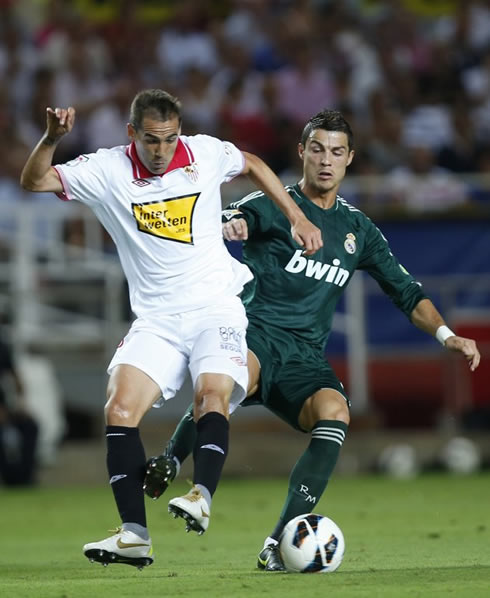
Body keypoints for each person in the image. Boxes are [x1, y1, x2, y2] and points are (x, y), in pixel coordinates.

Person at [143, 109, 481, 571]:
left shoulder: (358, 230)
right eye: (317, 149)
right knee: (224, 378)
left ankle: (280, 538)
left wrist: (447, 335)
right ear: (302, 153)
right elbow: (226, 216)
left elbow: (406, 291)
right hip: (252, 333)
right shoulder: (272, 205)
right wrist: (232, 224)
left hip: (304, 358)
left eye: (337, 152)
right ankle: (175, 467)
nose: (326, 161)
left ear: (350, 159)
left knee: (335, 411)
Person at [19, 89, 323, 569]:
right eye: (151, 140)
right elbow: (34, 180)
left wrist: (297, 215)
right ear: (131, 134)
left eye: (169, 139)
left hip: (215, 307)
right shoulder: (106, 170)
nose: (161, 150)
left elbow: (252, 163)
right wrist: (52, 138)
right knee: (119, 407)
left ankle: (201, 494)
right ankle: (135, 535)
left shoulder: (202, 153)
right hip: (158, 319)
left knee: (211, 395)